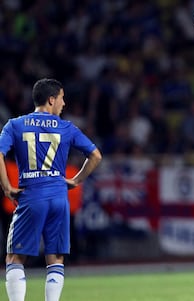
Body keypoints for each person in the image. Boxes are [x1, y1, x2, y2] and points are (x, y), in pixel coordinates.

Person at [0, 78, 102, 301]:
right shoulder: (66, 128)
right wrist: (75, 180)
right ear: (51, 99)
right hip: (58, 198)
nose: (64, 103)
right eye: (62, 98)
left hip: (31, 196)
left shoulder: (15, 125)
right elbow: (95, 155)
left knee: (15, 258)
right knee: (55, 259)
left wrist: (7, 186)